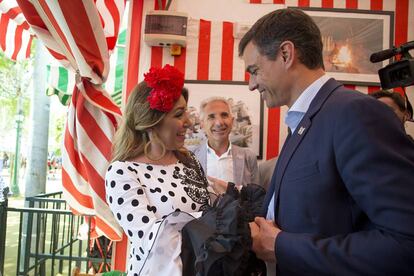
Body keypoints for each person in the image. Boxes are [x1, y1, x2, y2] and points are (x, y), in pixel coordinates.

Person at [238, 8, 414, 275]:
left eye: (254, 70)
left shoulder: (355, 114)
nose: (251, 84)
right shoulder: (304, 119)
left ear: (286, 54)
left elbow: (405, 243)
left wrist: (283, 246)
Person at [105, 65, 265, 275]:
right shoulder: (123, 172)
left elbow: (211, 207)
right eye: (179, 114)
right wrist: (234, 230)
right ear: (152, 121)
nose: (189, 122)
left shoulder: (188, 160)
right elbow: (153, 242)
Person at [192, 97, 259, 188]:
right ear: (202, 124)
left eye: (224, 115)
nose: (219, 123)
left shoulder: (248, 157)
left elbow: (256, 197)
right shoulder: (191, 158)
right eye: (211, 117)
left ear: (232, 121)